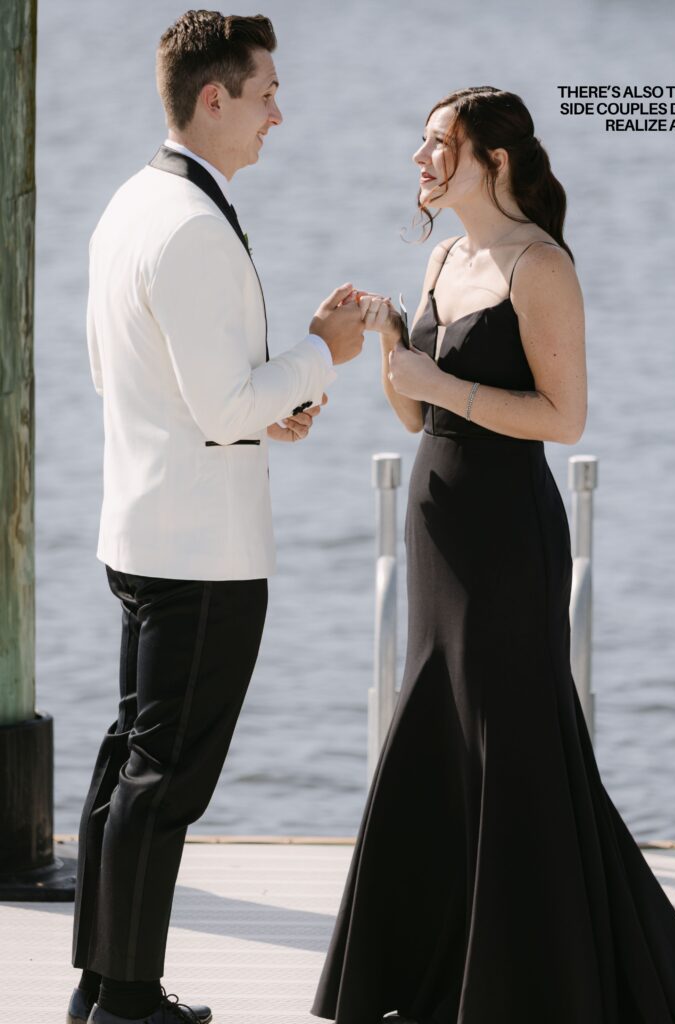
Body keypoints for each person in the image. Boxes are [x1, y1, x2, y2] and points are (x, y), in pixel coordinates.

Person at [310, 87, 675, 1024]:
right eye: (422, 140)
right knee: (442, 739)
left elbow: (564, 418)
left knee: (514, 746)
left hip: (507, 535)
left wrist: (435, 378)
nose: (420, 159)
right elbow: (418, 410)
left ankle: (536, 983)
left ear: (496, 161)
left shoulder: (540, 265)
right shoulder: (443, 256)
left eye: (440, 144)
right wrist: (397, 346)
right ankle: (439, 975)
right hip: (437, 527)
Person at [68, 12, 380, 1024]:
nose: (278, 114)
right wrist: (318, 353)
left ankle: (103, 986)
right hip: (199, 548)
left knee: (132, 763)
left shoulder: (133, 202)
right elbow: (219, 402)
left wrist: (262, 413)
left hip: (146, 523)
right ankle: (127, 1001)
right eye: (263, 94)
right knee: (164, 783)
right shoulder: (193, 224)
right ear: (213, 98)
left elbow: (138, 377)